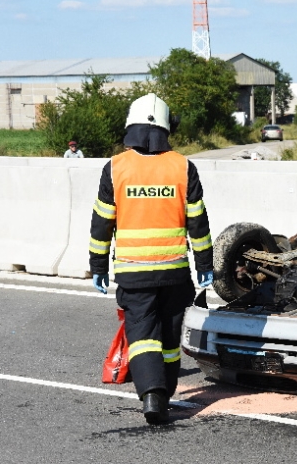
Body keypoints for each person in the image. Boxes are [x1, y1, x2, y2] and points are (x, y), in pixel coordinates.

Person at [89, 93, 214, 424]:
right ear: (165, 127)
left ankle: (153, 396)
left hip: (134, 274)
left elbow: (102, 223)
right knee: (170, 338)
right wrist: (205, 266)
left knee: (143, 334)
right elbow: (198, 224)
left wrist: (97, 266)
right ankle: (166, 390)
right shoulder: (183, 167)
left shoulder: (115, 168)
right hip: (174, 273)